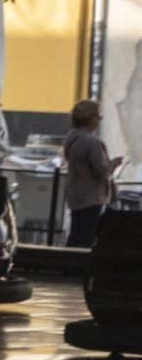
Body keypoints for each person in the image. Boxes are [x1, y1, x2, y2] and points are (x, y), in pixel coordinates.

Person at [65, 99, 120, 249]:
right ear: (91, 118)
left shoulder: (71, 137)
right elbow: (101, 171)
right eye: (99, 116)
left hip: (75, 193)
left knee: (75, 232)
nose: (100, 120)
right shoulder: (93, 142)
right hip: (92, 196)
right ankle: (83, 266)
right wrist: (114, 163)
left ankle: (69, 264)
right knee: (88, 234)